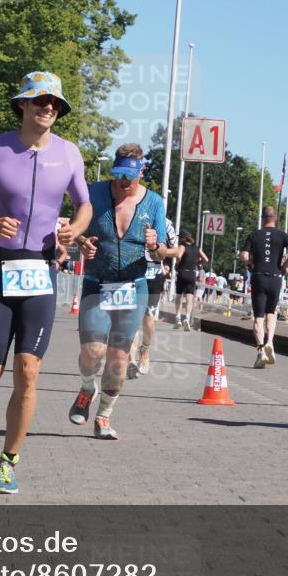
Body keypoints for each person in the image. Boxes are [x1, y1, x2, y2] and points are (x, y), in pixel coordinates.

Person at [0, 71, 92, 492]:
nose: (48, 108)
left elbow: (84, 205)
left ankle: (9, 461)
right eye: (40, 100)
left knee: (28, 372)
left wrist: (75, 229)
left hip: (41, 271)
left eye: (55, 103)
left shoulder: (69, 154)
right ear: (23, 105)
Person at [69, 144, 173, 439]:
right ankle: (86, 389)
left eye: (130, 176)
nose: (124, 182)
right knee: (92, 351)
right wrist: (82, 243)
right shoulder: (94, 193)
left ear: (142, 171)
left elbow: (162, 253)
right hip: (97, 282)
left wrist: (154, 245)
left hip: (133, 286)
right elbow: (75, 229)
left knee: (118, 359)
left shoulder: (154, 203)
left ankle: (104, 416)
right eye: (119, 175)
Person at [240, 205, 288, 368]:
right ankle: (270, 342)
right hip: (275, 278)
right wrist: (285, 265)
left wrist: (250, 264)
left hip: (259, 277)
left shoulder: (254, 235)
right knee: (271, 313)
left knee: (258, 317)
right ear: (276, 219)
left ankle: (261, 351)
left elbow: (243, 255)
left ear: (262, 219)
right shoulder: (283, 235)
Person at [128, 216, 178, 378]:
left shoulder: (165, 223)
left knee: (148, 318)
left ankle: (145, 351)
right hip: (133, 271)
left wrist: (158, 251)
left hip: (153, 275)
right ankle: (131, 360)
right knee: (132, 317)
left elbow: (177, 250)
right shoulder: (132, 216)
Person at [173, 231, 208, 331]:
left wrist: (177, 264)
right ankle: (187, 318)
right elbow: (206, 259)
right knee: (190, 297)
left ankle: (178, 318)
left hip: (182, 272)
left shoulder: (182, 246)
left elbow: (179, 256)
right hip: (192, 274)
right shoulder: (197, 248)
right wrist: (198, 263)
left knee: (179, 296)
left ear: (183, 238)